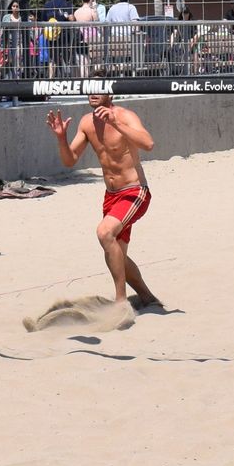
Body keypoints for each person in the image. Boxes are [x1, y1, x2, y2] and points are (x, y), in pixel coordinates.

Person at [46, 93, 160, 309]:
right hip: (111, 197)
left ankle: (120, 302)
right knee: (116, 255)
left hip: (135, 192)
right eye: (90, 88)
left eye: (99, 88)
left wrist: (115, 122)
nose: (93, 93)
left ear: (110, 93)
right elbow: (70, 160)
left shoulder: (125, 116)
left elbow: (148, 144)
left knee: (104, 233)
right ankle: (147, 297)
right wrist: (61, 138)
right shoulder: (87, 122)